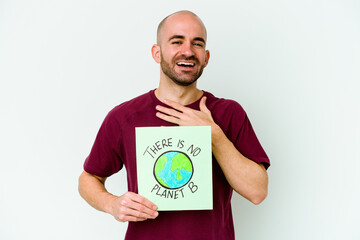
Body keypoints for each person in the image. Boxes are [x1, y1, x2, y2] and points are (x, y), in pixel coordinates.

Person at [78, 10, 270, 240]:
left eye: (197, 43)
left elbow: (257, 191)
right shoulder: (124, 117)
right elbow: (89, 178)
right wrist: (112, 204)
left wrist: (213, 135)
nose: (188, 51)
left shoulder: (228, 113)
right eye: (177, 41)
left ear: (206, 57)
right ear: (157, 52)